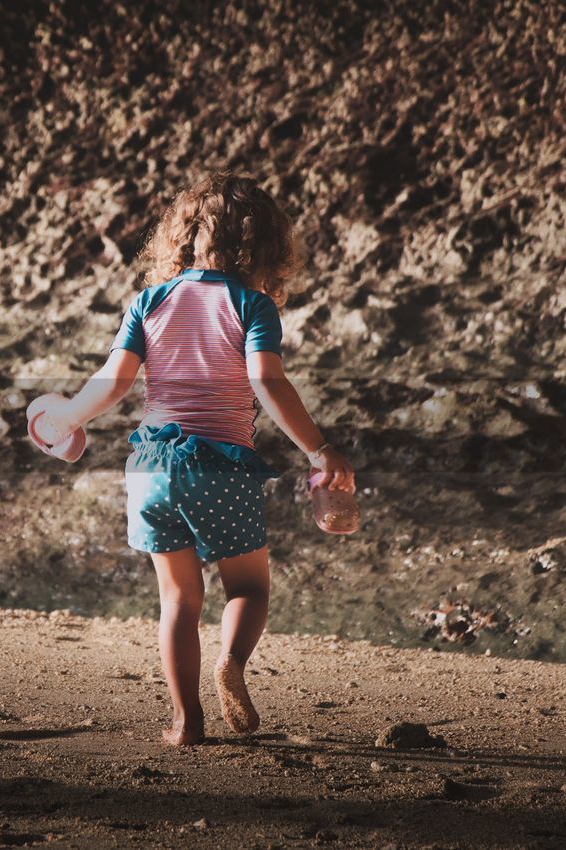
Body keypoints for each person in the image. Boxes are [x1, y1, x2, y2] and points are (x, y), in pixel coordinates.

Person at [37, 172, 356, 746]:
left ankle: (186, 722)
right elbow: (267, 382)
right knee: (248, 589)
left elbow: (111, 385)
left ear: (177, 241)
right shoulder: (251, 305)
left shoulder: (149, 301)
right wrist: (318, 449)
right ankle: (231, 662)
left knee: (179, 599)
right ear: (265, 250)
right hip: (221, 467)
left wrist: (64, 419)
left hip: (151, 468)